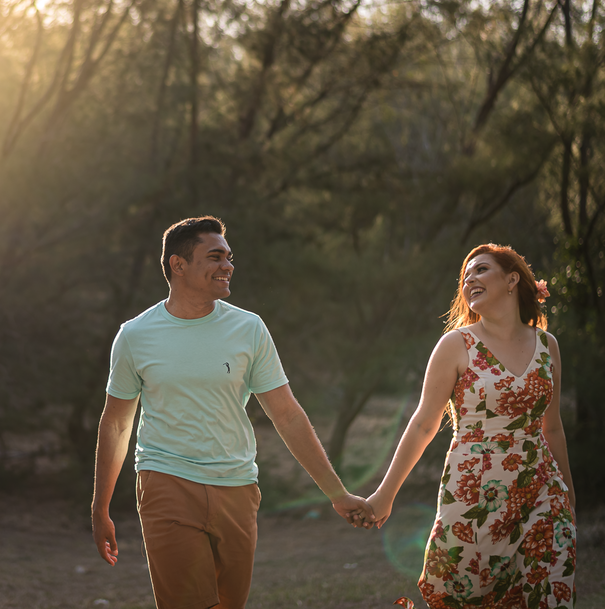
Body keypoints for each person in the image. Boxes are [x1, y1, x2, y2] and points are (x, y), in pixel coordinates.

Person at [91, 216, 375, 609]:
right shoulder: (136, 335)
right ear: (178, 265)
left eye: (229, 257)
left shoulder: (249, 328)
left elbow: (287, 416)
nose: (228, 265)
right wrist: (100, 505)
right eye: (215, 256)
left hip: (238, 488)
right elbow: (117, 423)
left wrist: (337, 493)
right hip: (167, 482)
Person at [366, 244, 577, 609]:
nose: (470, 281)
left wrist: (569, 496)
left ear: (512, 279)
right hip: (473, 492)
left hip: (543, 492)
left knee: (549, 595)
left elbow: (552, 427)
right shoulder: (456, 345)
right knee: (465, 595)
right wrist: (386, 494)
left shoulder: (547, 345)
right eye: (465, 277)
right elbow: (422, 425)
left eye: (480, 270)